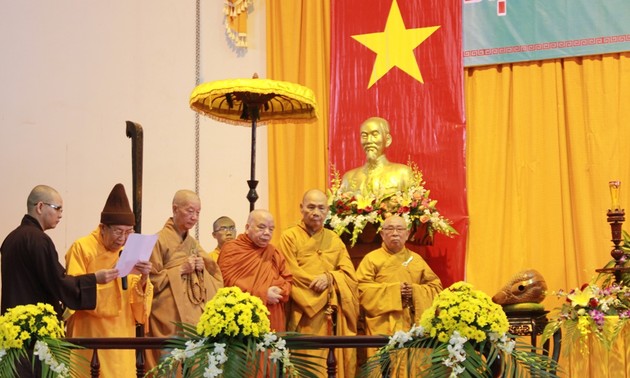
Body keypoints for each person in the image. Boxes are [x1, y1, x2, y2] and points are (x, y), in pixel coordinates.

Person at [0, 185, 118, 378]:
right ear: (40, 207)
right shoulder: (39, 240)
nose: (61, 214)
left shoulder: (10, 239)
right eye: (57, 208)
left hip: (13, 333)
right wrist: (94, 278)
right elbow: (58, 282)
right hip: (37, 333)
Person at [65, 183, 153, 378]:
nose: (123, 239)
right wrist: (107, 279)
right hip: (91, 333)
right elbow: (73, 292)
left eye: (128, 232)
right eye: (118, 232)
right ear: (103, 228)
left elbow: (137, 303)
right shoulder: (83, 248)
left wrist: (144, 279)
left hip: (122, 335)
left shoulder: (130, 249)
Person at [278, 189, 359, 378]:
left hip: (331, 312)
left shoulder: (334, 239)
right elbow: (289, 272)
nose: (316, 212)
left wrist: (329, 278)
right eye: (311, 207)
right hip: (304, 312)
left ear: (327, 211)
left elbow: (348, 274)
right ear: (301, 208)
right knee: (307, 364)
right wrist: (318, 287)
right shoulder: (289, 237)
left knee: (331, 364)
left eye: (321, 208)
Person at [145, 189, 223, 369]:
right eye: (190, 211)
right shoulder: (158, 240)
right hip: (168, 318)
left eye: (198, 212)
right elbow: (151, 281)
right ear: (175, 209)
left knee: (194, 368)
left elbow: (214, 272)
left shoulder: (193, 243)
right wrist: (180, 269)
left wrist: (201, 267)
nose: (194, 217)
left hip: (192, 317)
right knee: (169, 366)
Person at [356, 215, 442, 364]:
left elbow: (436, 288)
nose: (395, 233)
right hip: (382, 324)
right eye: (390, 229)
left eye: (399, 229)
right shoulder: (371, 259)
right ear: (382, 234)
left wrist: (415, 292)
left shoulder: (416, 260)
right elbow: (361, 290)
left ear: (407, 234)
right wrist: (395, 292)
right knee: (383, 367)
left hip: (412, 324)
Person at [218, 209, 292, 332]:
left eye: (271, 229)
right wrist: (263, 294)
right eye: (261, 227)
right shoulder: (232, 250)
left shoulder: (274, 253)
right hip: (242, 320)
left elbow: (288, 280)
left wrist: (281, 290)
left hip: (272, 319)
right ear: (247, 227)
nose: (267, 233)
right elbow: (227, 284)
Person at [340, 116, 413, 197]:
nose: (369, 141)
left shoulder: (402, 173)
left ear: (387, 140)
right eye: (364, 136)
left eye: (375, 135)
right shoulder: (349, 178)